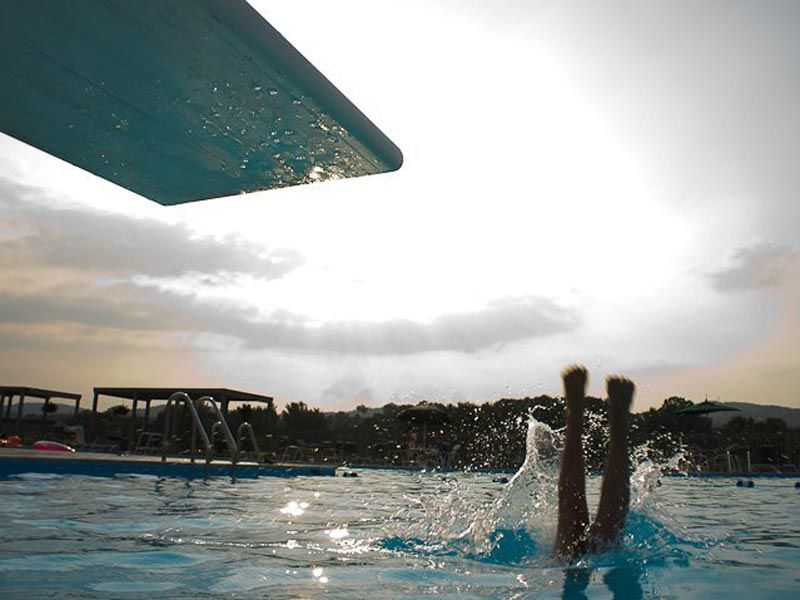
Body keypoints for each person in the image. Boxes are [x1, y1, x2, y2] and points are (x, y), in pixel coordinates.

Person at [552, 365, 634, 560]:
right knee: (608, 541)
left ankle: (575, 419)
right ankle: (618, 426)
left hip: (561, 571)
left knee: (572, 549)